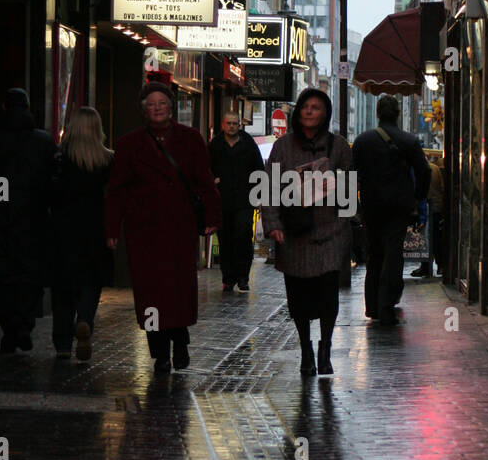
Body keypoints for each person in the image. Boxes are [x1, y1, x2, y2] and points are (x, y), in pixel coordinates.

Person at [104, 81, 220, 373]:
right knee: (151, 292)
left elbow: (205, 183)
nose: (156, 108)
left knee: (178, 290)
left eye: (162, 103)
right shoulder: (129, 144)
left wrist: (211, 219)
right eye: (150, 104)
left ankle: (180, 342)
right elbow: (116, 190)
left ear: (171, 107)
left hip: (179, 228)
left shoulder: (191, 139)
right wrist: (111, 229)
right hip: (144, 231)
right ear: (144, 110)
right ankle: (159, 352)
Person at [262, 87, 352, 376]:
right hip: (295, 232)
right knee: (298, 298)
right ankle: (305, 348)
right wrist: (273, 224)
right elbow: (269, 189)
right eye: (305, 107)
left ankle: (325, 347)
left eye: (316, 107)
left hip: (330, 231)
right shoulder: (282, 147)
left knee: (328, 295)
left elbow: (350, 192)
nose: (310, 112)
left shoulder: (339, 147)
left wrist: (335, 185)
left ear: (326, 113)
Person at [0, 87, 55, 353]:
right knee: (29, 277)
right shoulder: (42, 141)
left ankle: (10, 329)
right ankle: (24, 324)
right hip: (32, 220)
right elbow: (50, 182)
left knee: (3, 277)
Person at [351, 94, 430, 325]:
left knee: (374, 253)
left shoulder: (362, 141)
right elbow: (424, 172)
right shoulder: (409, 141)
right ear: (397, 114)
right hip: (399, 205)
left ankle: (372, 305)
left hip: (371, 204)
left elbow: (352, 173)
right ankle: (387, 305)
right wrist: (418, 197)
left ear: (377, 113)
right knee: (393, 253)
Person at [49, 107, 114, 360]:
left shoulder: (59, 159)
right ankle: (84, 319)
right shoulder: (108, 160)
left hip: (63, 231)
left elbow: (50, 194)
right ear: (97, 129)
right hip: (95, 231)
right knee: (91, 282)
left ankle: (63, 343)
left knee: (63, 288)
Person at [207, 112, 265, 291]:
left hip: (244, 199)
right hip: (223, 200)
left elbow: (259, 170)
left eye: (235, 123)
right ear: (223, 125)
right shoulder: (215, 145)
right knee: (225, 240)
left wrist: (259, 196)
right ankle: (228, 277)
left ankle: (243, 277)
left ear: (239, 125)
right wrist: (213, 180)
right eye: (229, 123)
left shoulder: (248, 144)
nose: (232, 126)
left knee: (243, 235)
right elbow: (206, 168)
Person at [410, 153, 445, 279]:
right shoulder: (434, 168)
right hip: (436, 208)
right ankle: (439, 265)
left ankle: (426, 267)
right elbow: (442, 187)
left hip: (425, 207)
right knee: (435, 238)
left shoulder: (417, 169)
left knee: (425, 238)